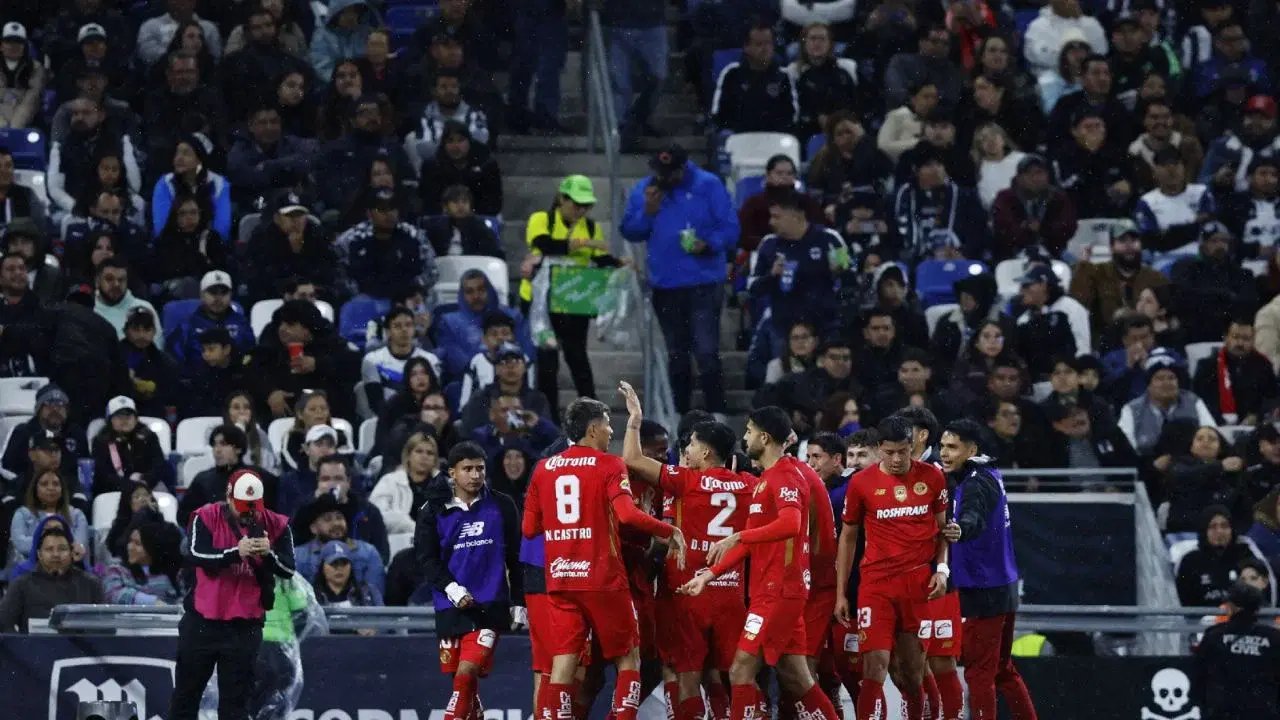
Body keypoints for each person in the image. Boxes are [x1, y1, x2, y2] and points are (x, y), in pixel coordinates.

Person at [522, 398, 687, 720]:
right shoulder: (609, 465)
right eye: (609, 424)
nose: (611, 431)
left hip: (561, 579)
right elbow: (626, 514)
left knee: (564, 661)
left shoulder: (544, 469)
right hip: (602, 579)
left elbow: (529, 529)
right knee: (629, 658)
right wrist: (667, 531)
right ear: (593, 428)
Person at [678, 406, 841, 720]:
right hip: (776, 590)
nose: (745, 437)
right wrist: (709, 575)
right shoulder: (769, 478)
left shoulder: (786, 475)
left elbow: (791, 523)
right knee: (797, 678)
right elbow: (753, 540)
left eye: (750, 431)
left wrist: (738, 536)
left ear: (764, 437)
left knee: (740, 671)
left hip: (778, 591)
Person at [617, 383, 752, 720]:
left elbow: (631, 459)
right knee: (736, 677)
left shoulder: (685, 480)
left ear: (706, 452)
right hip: (730, 593)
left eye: (691, 445)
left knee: (686, 675)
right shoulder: (750, 485)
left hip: (687, 592)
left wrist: (635, 419)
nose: (685, 451)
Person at [834, 415, 950, 720]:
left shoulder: (934, 478)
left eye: (903, 451)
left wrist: (942, 569)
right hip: (875, 585)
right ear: (878, 449)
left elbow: (943, 532)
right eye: (889, 452)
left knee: (912, 674)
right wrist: (841, 593)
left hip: (916, 584)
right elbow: (847, 538)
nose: (897, 459)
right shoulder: (861, 483)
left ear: (913, 446)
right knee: (874, 666)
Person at [167, 470, 295, 720]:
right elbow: (196, 555)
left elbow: (288, 569)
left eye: (253, 507)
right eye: (242, 506)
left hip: (244, 625)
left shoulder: (277, 525)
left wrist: (268, 554)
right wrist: (236, 552)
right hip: (203, 621)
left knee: (236, 705)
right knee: (185, 697)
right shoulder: (205, 517)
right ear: (228, 496)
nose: (248, 513)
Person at [621, 146, 738, 414]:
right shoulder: (646, 189)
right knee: (677, 354)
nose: (665, 178)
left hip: (704, 282)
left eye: (671, 173)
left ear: (684, 168)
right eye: (660, 172)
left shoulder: (709, 185)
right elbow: (629, 230)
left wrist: (708, 244)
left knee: (707, 351)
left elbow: (730, 228)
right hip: (665, 285)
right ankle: (679, 416)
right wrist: (648, 211)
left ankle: (717, 414)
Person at [938, 420, 1039, 720]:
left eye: (952, 447)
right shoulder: (988, 473)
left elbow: (973, 516)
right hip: (1003, 585)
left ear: (972, 450)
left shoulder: (976, 482)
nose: (944, 453)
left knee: (979, 673)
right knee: (1003, 670)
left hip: (983, 588)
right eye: (942, 446)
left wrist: (960, 529)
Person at [416, 441, 523, 720]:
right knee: (464, 687)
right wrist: (453, 590)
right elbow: (427, 560)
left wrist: (520, 603)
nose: (475, 475)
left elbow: (516, 557)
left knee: (466, 674)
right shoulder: (432, 510)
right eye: (468, 469)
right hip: (450, 607)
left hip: (490, 605)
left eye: (480, 469)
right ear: (452, 473)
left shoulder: (502, 504)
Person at [521, 175, 625, 411]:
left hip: (573, 301)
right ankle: (548, 416)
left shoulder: (590, 226)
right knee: (547, 361)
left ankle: (593, 413)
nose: (581, 210)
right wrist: (581, 245)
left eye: (586, 206)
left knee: (577, 357)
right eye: (576, 204)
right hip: (541, 302)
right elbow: (545, 245)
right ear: (561, 199)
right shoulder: (541, 220)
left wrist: (618, 263)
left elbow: (600, 259)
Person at [748, 188, 847, 361]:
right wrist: (771, 276)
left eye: (777, 216)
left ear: (797, 216)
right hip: (783, 328)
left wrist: (839, 270)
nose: (771, 222)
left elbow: (850, 273)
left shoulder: (830, 238)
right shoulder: (768, 244)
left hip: (824, 326)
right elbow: (752, 287)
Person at [1068, 221, 1167, 344]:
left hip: (1147, 341)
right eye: (1122, 240)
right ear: (1111, 246)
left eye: (1134, 240)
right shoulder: (1096, 272)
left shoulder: (1155, 277)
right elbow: (1077, 303)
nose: (1129, 245)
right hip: (1107, 344)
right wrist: (1083, 266)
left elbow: (1168, 313)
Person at [1194, 580, 1280, 719]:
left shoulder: (1214, 635)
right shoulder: (1274, 638)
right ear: (1257, 608)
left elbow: (1199, 675)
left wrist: (1206, 708)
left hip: (1222, 711)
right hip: (1263, 711)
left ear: (1230, 607)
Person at [336, 188, 438, 301]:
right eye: (382, 209)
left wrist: (416, 289)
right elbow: (341, 275)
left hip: (408, 299)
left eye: (392, 208)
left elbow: (431, 271)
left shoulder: (414, 236)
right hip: (365, 300)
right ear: (369, 213)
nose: (389, 214)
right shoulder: (352, 239)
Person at [0, 527, 103, 632]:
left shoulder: (91, 584)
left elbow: (105, 626)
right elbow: (3, 623)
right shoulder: (22, 585)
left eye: (62, 549)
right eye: (49, 549)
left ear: (71, 553)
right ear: (39, 555)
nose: (56, 555)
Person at [1170, 222, 1258, 343]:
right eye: (1214, 241)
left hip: (1231, 335)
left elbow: (1247, 304)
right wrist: (1226, 296)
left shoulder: (1243, 274)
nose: (1220, 245)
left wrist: (1212, 298)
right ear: (1203, 245)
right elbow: (1183, 297)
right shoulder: (1186, 269)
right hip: (1194, 334)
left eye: (1224, 241)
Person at [179, 424, 280, 528]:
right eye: (214, 445)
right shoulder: (202, 480)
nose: (217, 450)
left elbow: (274, 515)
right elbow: (183, 517)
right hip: (212, 538)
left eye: (223, 444)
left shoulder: (259, 477)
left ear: (238, 449)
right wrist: (205, 514)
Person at [292, 489, 385, 594]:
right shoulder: (298, 557)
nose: (336, 523)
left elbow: (375, 597)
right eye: (327, 519)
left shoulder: (368, 553)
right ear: (313, 528)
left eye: (339, 518)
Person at [711, 24, 797, 135]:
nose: (765, 48)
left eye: (768, 43)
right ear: (746, 47)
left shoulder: (784, 76)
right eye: (758, 44)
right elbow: (718, 113)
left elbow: (792, 116)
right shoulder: (731, 74)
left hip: (774, 140)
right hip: (739, 139)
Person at [1192, 317, 1280, 425]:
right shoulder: (1207, 365)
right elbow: (1198, 400)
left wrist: (1257, 415)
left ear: (1253, 340)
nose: (1240, 343)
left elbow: (1272, 398)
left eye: (1246, 338)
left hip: (1255, 427)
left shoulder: (1263, 365)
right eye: (1235, 337)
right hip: (1214, 425)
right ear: (1226, 338)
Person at [225, 104, 315, 207]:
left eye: (274, 122)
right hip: (253, 207)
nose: (269, 128)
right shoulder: (240, 149)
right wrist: (286, 170)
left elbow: (311, 155)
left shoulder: (288, 141)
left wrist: (270, 165)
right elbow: (248, 178)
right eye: (262, 123)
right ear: (251, 126)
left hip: (291, 204)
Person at [150, 132, 231, 243]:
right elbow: (161, 227)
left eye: (186, 153)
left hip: (208, 245)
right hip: (173, 246)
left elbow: (222, 229)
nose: (179, 158)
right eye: (177, 153)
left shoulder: (219, 183)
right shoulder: (165, 183)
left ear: (199, 160)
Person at [1165, 427, 1249, 534]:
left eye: (1212, 439)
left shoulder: (1231, 472)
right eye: (1200, 439)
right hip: (1185, 532)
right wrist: (1219, 466)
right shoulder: (1180, 465)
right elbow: (1180, 476)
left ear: (1220, 448)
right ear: (1191, 446)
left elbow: (1242, 509)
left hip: (1222, 535)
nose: (1206, 442)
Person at [1177, 506, 1264, 607]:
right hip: (1201, 620)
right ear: (1204, 530)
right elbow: (1183, 600)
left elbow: (1263, 590)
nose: (1219, 531)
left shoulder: (1246, 555)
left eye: (1224, 526)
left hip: (1243, 618)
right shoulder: (1190, 561)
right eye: (1213, 527)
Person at [8, 470, 90, 574]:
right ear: (35, 489)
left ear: (62, 489)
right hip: (30, 572)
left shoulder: (77, 515)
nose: (51, 488)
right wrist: (44, 534)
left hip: (69, 571)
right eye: (44, 484)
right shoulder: (22, 514)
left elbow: (79, 546)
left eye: (56, 484)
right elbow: (21, 545)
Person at [90, 395, 174, 496]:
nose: (125, 420)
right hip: (113, 491)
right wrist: (130, 486)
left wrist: (146, 480)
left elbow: (159, 464)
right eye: (119, 416)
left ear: (136, 418)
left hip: (147, 486)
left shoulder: (149, 436)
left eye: (129, 416)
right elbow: (103, 474)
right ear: (110, 420)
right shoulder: (101, 441)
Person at [167, 270, 253, 366]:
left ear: (231, 295)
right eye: (213, 292)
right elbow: (174, 359)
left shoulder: (241, 323)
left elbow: (250, 354)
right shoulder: (187, 325)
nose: (218, 298)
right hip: (198, 378)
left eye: (223, 293)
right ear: (202, 295)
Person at [418, 121, 503, 216]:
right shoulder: (432, 166)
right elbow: (429, 203)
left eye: (460, 140)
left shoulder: (486, 164)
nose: (456, 146)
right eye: (450, 141)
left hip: (480, 216)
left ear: (469, 142)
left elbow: (494, 202)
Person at [370, 432, 441, 534]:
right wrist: (406, 524)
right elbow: (376, 514)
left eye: (430, 453)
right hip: (398, 540)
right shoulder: (390, 481)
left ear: (435, 460)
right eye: (419, 451)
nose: (424, 457)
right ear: (408, 456)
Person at [102, 521, 184, 605]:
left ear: (151, 548)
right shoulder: (116, 570)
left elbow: (183, 598)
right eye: (130, 541)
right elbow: (113, 594)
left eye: (137, 544)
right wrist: (152, 602)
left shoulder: (172, 573)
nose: (130, 547)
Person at [118, 307, 179, 418]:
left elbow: (169, 398)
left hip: (152, 418)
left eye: (147, 329)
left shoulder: (167, 363)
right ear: (125, 331)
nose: (142, 335)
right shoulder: (112, 357)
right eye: (136, 329)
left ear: (155, 331)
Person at [1023, 0, 1107, 78]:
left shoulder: (1090, 23)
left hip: (1089, 78)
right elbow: (1037, 57)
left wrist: (1080, 22)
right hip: (1055, 82)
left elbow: (1101, 51)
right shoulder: (1038, 26)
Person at [422, 185, 504, 259]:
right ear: (445, 207)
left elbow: (491, 253)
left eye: (464, 201)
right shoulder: (436, 228)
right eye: (455, 202)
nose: (461, 206)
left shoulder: (481, 228)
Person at [93, 257, 162, 343]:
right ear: (97, 282)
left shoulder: (144, 308)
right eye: (109, 279)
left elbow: (156, 350)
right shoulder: (87, 309)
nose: (116, 284)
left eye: (121, 280)